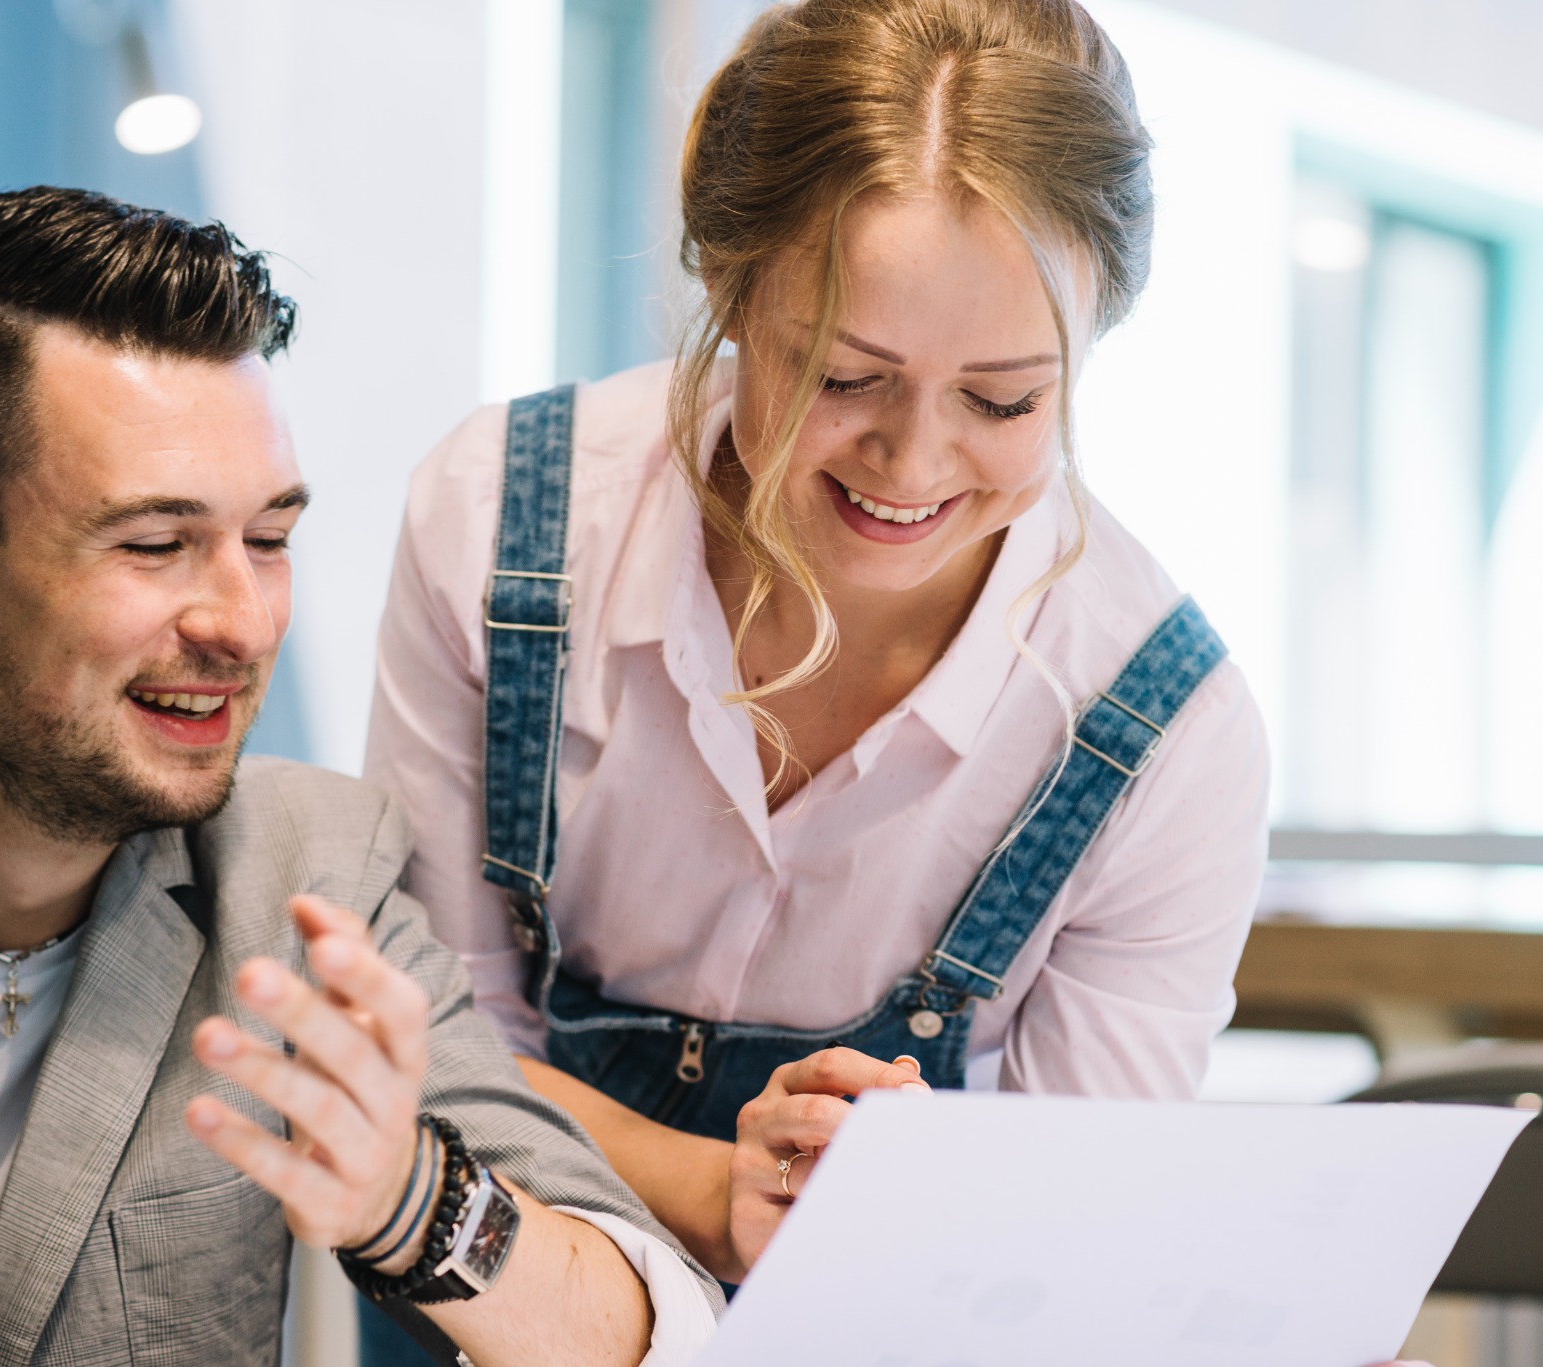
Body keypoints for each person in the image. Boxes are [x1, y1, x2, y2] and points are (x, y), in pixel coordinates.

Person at [0, 187, 719, 1366]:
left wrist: (410, 1198)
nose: (242, 623)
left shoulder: (303, 886)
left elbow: (650, 1329)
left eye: (271, 540)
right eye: (154, 544)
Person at [367, 0, 1266, 1319]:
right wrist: (701, 1182)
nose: (910, 462)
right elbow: (425, 1040)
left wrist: (924, 1187)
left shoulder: (1159, 728)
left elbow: (1071, 1233)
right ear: (725, 285)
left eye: (1004, 398)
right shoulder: (503, 525)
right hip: (499, 1298)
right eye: (844, 374)